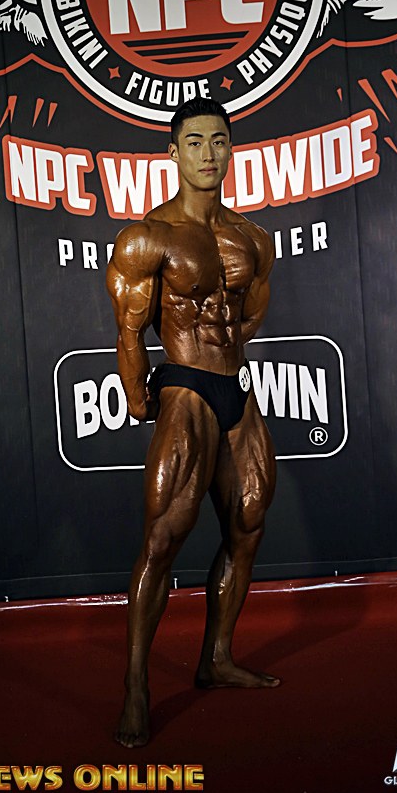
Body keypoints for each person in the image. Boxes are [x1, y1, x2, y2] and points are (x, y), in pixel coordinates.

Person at [106, 97, 278, 749]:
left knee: (249, 523)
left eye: (219, 141)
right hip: (184, 385)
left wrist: (224, 356)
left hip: (235, 386)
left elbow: (249, 315)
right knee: (163, 538)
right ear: (174, 153)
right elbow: (129, 330)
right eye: (196, 142)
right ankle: (135, 687)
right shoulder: (148, 236)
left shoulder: (254, 239)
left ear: (231, 149)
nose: (209, 153)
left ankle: (217, 658)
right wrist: (138, 395)